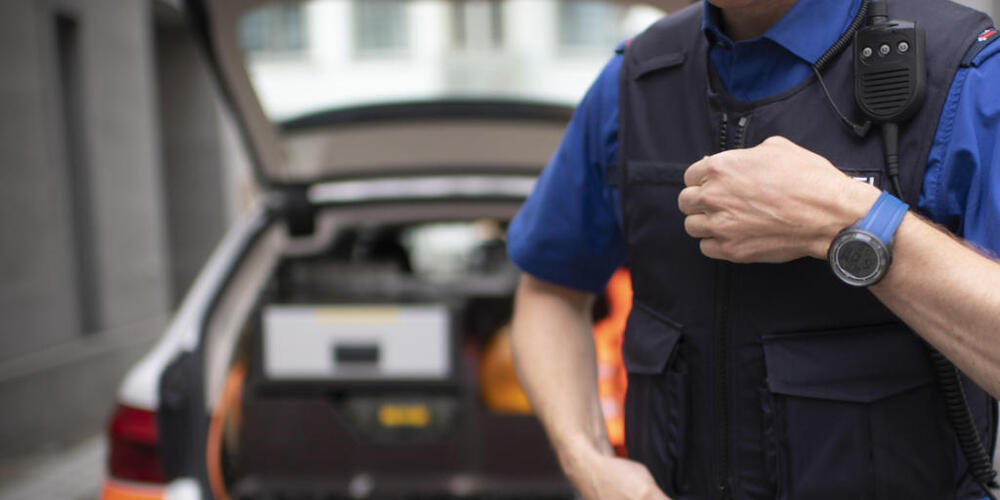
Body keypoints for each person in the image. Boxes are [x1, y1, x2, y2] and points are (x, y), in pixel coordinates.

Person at [506, 0, 1000, 498]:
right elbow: (550, 290)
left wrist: (846, 220)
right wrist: (587, 461)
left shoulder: (963, 73)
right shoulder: (634, 79)